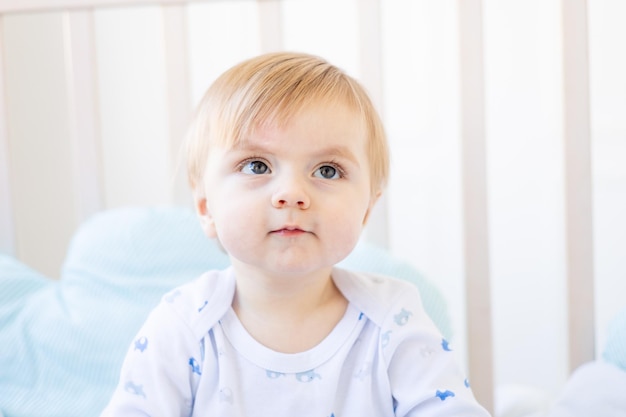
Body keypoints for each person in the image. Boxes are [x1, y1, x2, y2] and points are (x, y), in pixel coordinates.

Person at [100, 51, 491, 417]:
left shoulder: (393, 318)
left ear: (367, 208)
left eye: (327, 171)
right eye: (256, 166)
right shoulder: (183, 325)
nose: (292, 194)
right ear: (205, 207)